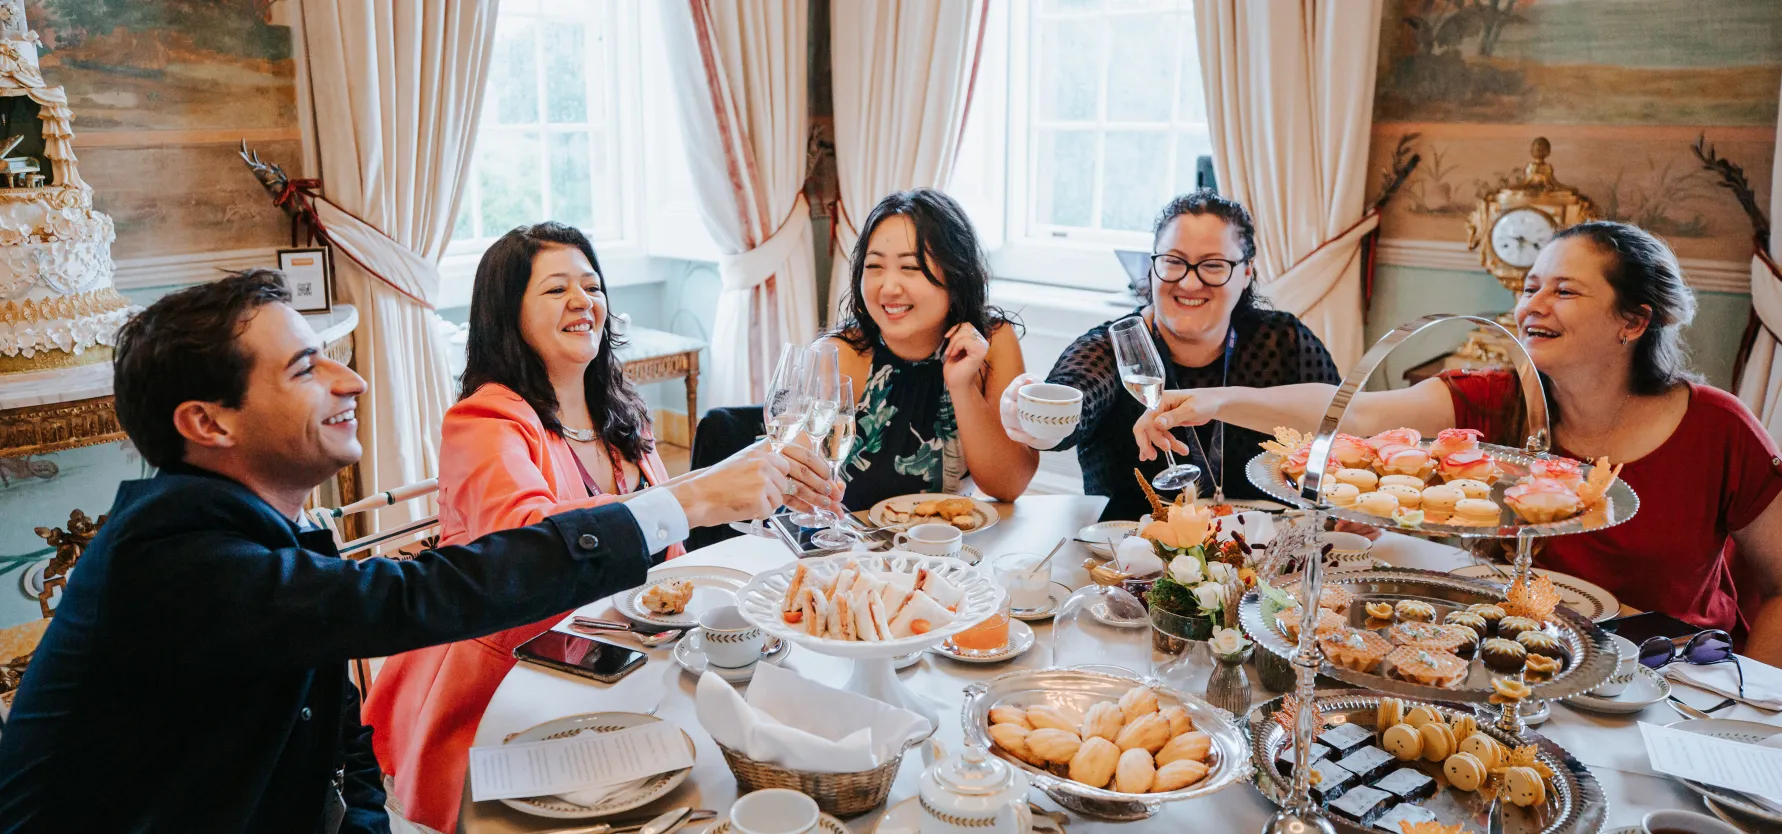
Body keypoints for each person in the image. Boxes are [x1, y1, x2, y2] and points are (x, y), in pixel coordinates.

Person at [0, 271, 793, 832]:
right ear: (208, 422)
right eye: (308, 367)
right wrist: (680, 501)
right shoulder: (170, 560)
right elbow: (425, 596)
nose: (354, 382)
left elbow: (341, 742)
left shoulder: (264, 534)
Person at [363, 222, 840, 829]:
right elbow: (526, 541)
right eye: (556, 289)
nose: (582, 301)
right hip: (508, 678)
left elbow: (663, 546)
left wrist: (759, 500)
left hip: (617, 664)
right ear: (508, 316)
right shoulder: (485, 419)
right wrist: (703, 492)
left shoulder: (617, 410)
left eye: (591, 285)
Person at [1134, 221, 1782, 663]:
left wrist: (1758, 707)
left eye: (1565, 290)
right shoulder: (1500, 399)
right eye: (1530, 286)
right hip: (1514, 654)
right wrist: (1216, 402)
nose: (1532, 306)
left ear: (1632, 321)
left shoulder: (1718, 429)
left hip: (1670, 674)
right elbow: (1357, 414)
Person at [1000, 190, 1341, 519]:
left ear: (1246, 271)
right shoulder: (1109, 347)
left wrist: (1343, 501)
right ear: (1152, 267)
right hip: (1130, 564)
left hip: (1261, 561)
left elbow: (1344, 434)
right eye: (1173, 262)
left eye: (1213, 265)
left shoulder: (1283, 341)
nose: (1190, 284)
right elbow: (1073, 405)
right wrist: (1032, 418)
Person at [825, 188, 1037, 505]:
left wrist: (962, 387)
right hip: (854, 548)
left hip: (949, 549)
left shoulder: (991, 342)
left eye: (910, 268)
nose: (889, 287)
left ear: (956, 276)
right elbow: (795, 476)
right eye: (874, 267)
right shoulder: (842, 354)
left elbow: (1007, 485)